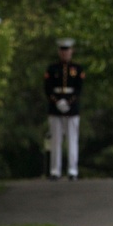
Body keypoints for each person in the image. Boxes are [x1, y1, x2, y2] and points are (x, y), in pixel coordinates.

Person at [44, 37, 84, 180]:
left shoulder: (77, 69)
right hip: (55, 107)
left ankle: (73, 170)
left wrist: (69, 102)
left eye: (67, 50)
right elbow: (48, 88)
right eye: (62, 50)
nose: (65, 53)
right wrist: (57, 102)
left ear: (71, 51)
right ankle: (55, 170)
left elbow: (78, 89)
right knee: (56, 140)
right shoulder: (52, 68)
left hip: (72, 108)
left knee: (72, 139)